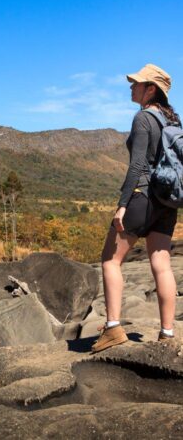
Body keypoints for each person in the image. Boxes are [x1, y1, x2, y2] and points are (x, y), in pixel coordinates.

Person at [91, 63, 180, 353]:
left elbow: (137, 165)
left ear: (150, 89)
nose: (131, 87)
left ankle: (114, 328)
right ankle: (167, 334)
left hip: (141, 196)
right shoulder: (173, 123)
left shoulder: (143, 118)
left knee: (110, 260)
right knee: (161, 264)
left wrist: (122, 205)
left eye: (136, 83)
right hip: (167, 201)